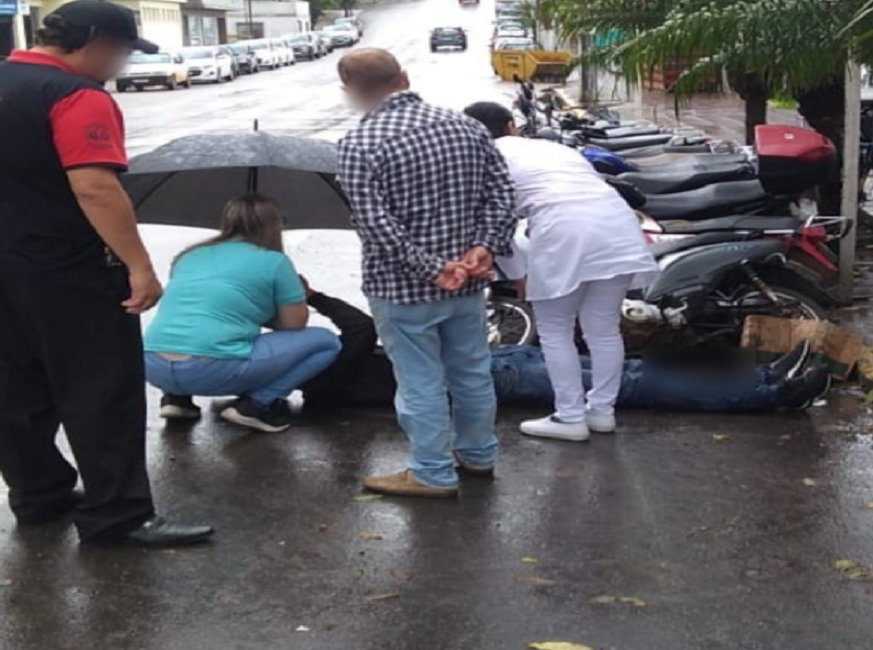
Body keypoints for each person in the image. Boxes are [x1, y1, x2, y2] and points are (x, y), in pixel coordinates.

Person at [0, 1, 213, 547]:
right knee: (101, 394)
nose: (117, 67)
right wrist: (140, 267)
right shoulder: (77, 96)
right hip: (69, 272)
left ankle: (39, 495)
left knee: (15, 391)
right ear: (95, 42)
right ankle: (118, 516)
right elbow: (94, 187)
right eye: (119, 53)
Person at [337, 49, 517, 498]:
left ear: (353, 92)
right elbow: (502, 195)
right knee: (473, 370)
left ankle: (432, 473)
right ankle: (478, 455)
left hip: (401, 288)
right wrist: (483, 248)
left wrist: (433, 268)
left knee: (420, 381)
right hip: (469, 280)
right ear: (404, 76)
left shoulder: (361, 142)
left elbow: (374, 223)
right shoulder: (468, 127)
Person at [465, 101, 659, 443]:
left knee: (556, 330)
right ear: (511, 125)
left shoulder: (483, 162)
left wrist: (517, 274)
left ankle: (569, 416)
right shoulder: (551, 147)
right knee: (603, 330)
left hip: (563, 230)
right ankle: (602, 413)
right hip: (616, 224)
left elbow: (500, 225)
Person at [296, 288, 831, 412]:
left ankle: (762, 380)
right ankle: (771, 397)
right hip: (490, 380)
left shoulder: (309, 363)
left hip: (496, 364)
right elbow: (362, 331)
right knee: (632, 384)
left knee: (630, 367)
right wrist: (313, 295)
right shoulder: (320, 380)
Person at [143, 194, 341, 432]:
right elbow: (294, 324)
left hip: (152, 365)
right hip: (210, 370)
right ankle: (255, 406)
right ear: (274, 224)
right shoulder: (275, 262)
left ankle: (176, 400)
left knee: (188, 329)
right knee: (326, 342)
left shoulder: (189, 256)